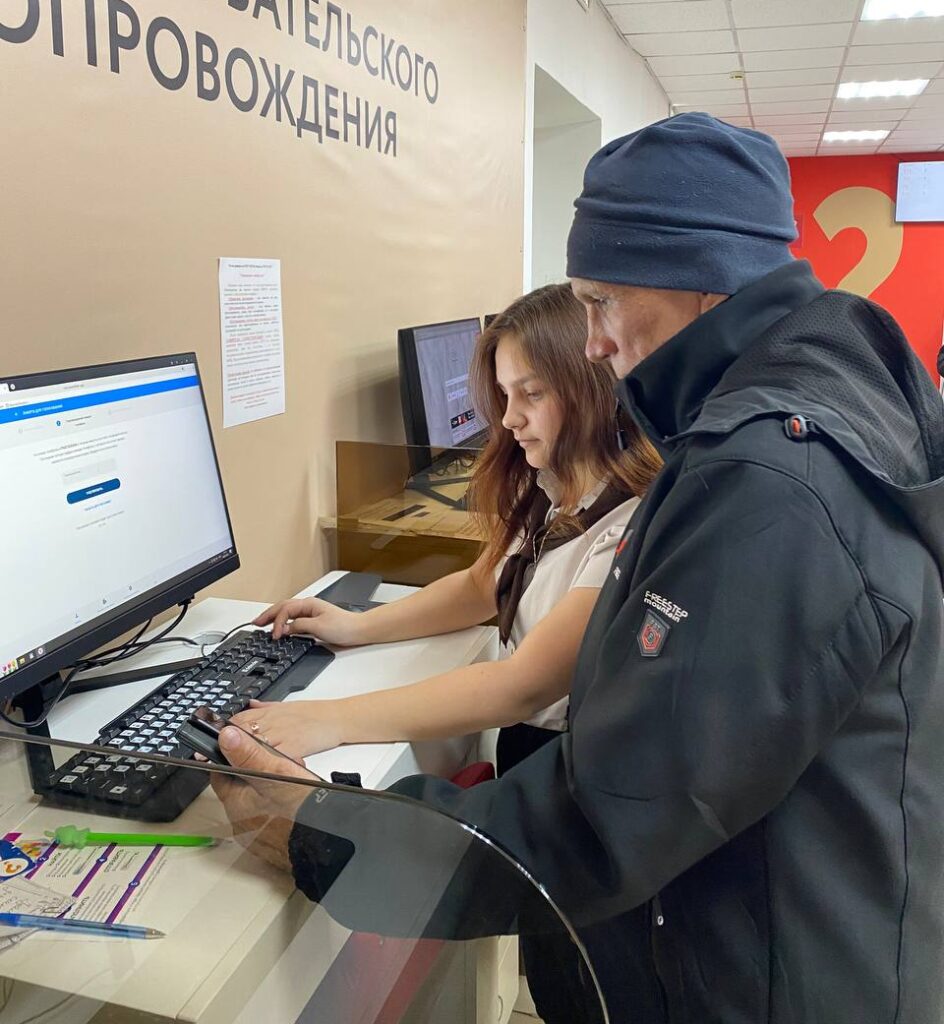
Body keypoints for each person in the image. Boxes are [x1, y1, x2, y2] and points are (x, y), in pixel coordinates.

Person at [213, 113, 944, 1023]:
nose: (594, 342)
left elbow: (611, 814)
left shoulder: (768, 484)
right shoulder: (821, 396)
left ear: (701, 277)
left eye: (602, 301)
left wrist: (322, 832)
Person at [231, 283, 661, 773]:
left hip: (569, 765)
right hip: (527, 745)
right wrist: (357, 625)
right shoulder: (553, 484)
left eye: (532, 393)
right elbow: (482, 586)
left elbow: (520, 687)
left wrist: (330, 719)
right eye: (504, 394)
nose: (510, 418)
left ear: (593, 386)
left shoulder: (629, 521)